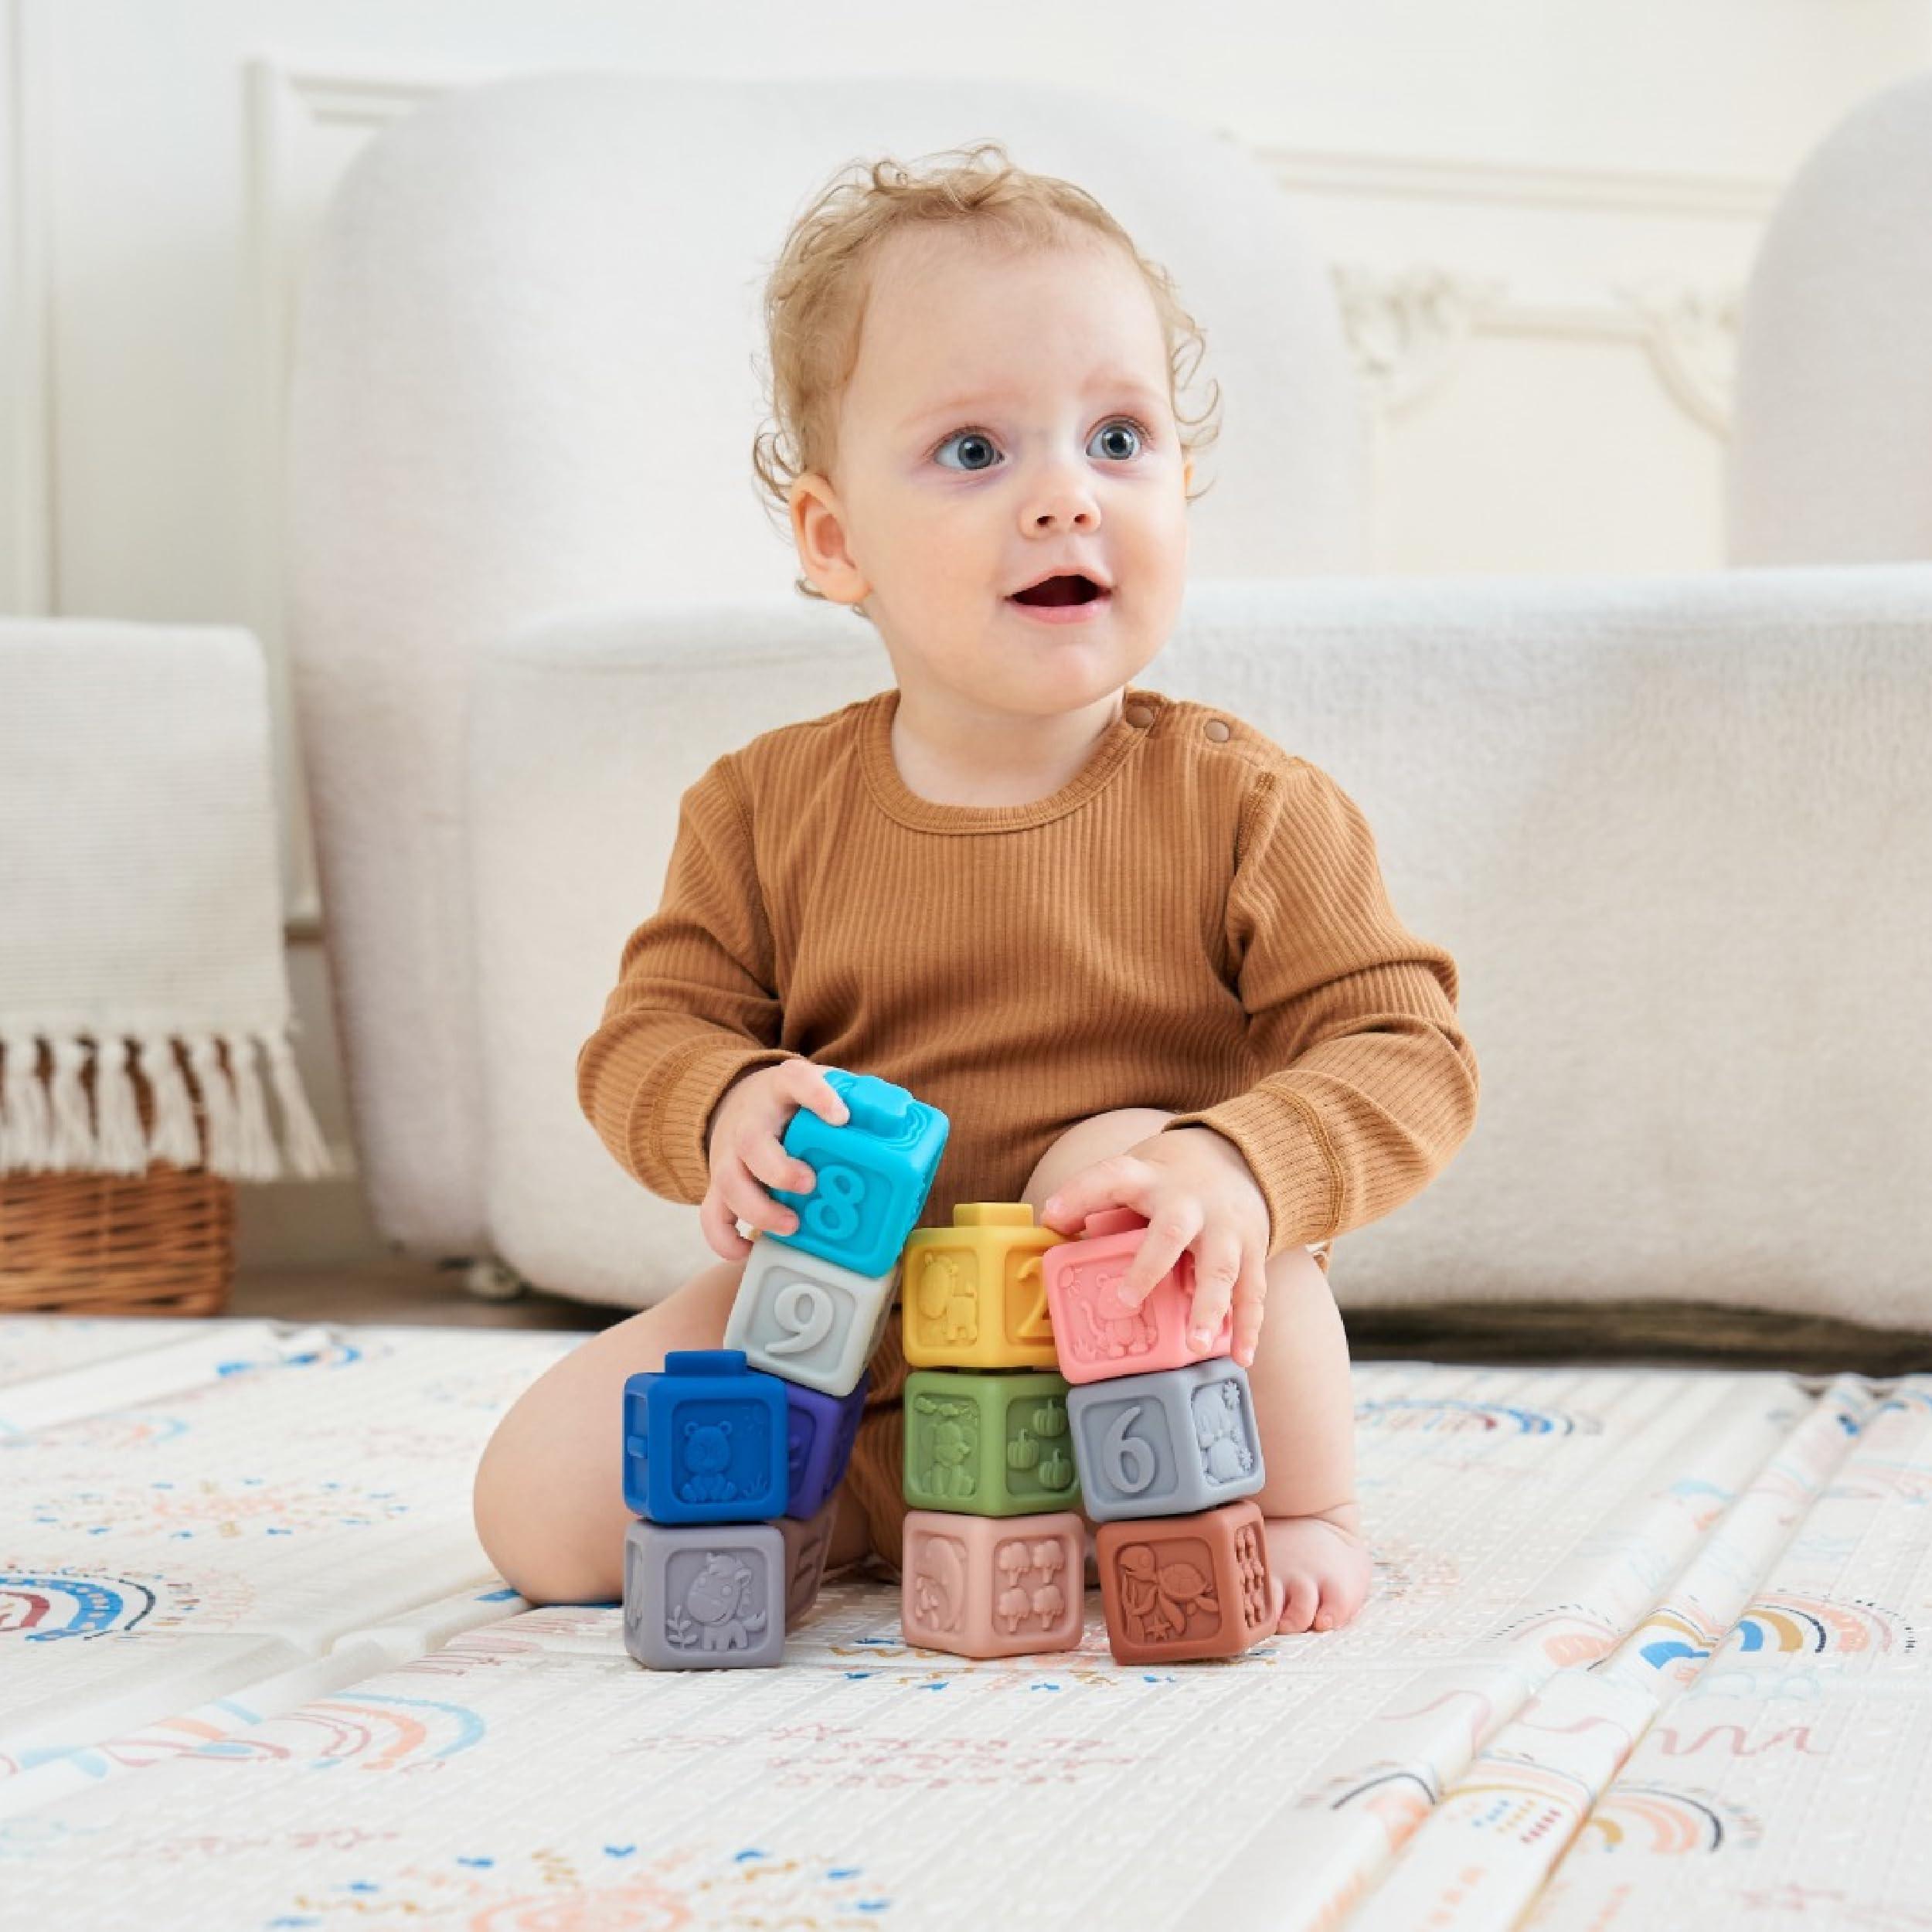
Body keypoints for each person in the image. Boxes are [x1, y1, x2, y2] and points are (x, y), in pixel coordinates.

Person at [472, 141, 1479, 1637]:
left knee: (1117, 1155)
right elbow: (644, 1035)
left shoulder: (1245, 803)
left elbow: (1408, 1053)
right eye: (973, 451)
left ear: (1181, 487)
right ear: (833, 540)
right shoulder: (759, 806)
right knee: (533, 1512)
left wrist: (1238, 1167)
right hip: (855, 1352)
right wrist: (725, 1103)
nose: (1066, 497)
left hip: (1148, 1355)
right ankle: (888, 1514)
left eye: (1119, 438)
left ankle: (1284, 1498)